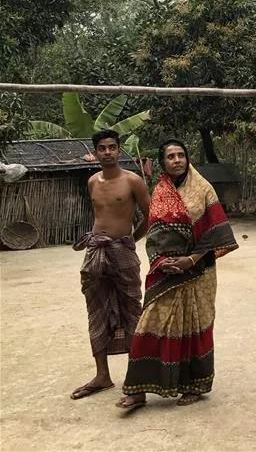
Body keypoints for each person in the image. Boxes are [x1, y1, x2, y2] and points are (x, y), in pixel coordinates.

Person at [117, 139, 238, 410]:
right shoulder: (159, 191)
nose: (176, 160)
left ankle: (194, 385)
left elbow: (215, 232)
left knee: (195, 325)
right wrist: (161, 262)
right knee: (149, 324)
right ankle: (137, 390)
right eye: (170, 156)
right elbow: (154, 234)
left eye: (181, 155)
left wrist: (190, 260)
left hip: (198, 270)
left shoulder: (203, 188)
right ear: (163, 162)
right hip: (166, 272)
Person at [71, 129, 151, 400]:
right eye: (102, 148)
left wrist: (131, 239)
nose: (107, 152)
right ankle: (102, 376)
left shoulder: (133, 181)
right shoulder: (92, 181)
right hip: (95, 251)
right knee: (96, 311)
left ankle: (137, 381)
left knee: (132, 311)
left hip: (122, 252)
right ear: (95, 153)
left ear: (119, 150)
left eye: (112, 147)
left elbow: (149, 215)